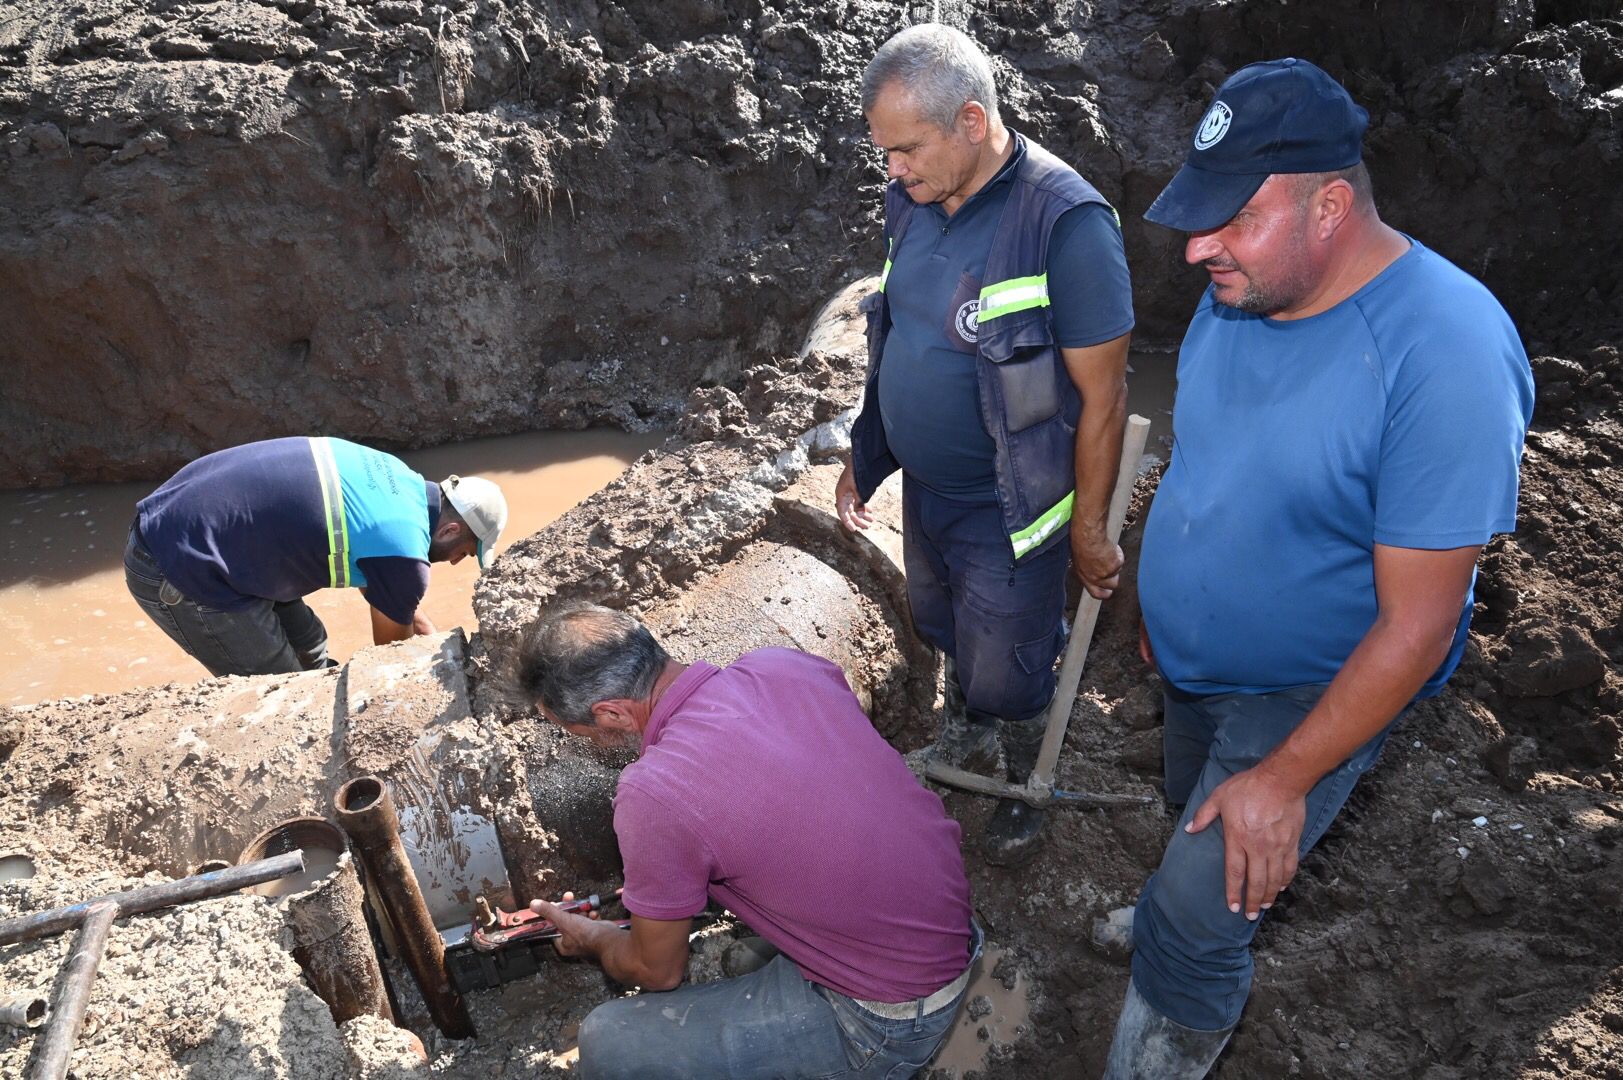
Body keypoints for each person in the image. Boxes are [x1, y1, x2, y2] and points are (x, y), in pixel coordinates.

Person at [1103, 59, 1534, 1077]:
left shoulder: (1447, 354)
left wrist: (1287, 777)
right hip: (1195, 664)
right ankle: (1172, 911)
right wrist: (1166, 594)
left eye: (1232, 219)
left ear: (1332, 205)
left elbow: (1419, 625)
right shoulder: (1241, 291)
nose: (1197, 248)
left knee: (1207, 901)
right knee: (1188, 831)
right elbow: (1207, 456)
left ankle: (1164, 1023)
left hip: (1311, 692)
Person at [836, 24, 1135, 865]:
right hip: (929, 490)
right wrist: (867, 454)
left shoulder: (1064, 224)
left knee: (1009, 663)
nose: (891, 170)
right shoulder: (913, 197)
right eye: (883, 153)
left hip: (1011, 504)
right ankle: (966, 725)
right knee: (936, 618)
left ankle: (1022, 767)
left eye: (904, 148)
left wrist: (1086, 532)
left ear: (971, 121)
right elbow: (895, 332)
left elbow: (1104, 395)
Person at [510, 603, 979, 1080]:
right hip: (949, 928)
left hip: (887, 1016)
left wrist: (595, 939)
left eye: (581, 732)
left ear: (611, 713)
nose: (590, 746)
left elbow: (657, 972)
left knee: (608, 1040)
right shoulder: (782, 665)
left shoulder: (654, 791)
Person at [124, 436, 507, 677]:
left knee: (311, 649)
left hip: (192, 525)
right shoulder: (404, 555)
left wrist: (433, 638)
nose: (458, 561)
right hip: (176, 567)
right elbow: (392, 660)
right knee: (283, 693)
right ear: (450, 530)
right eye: (466, 552)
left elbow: (390, 589)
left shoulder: (395, 479)